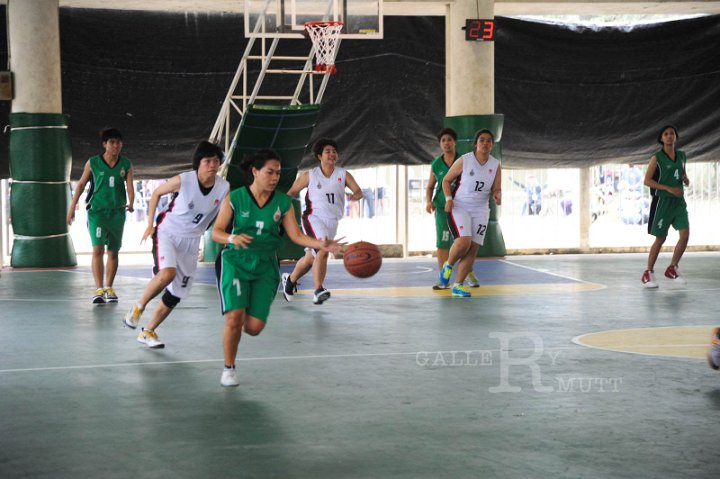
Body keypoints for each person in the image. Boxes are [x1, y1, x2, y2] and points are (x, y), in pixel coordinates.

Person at [213, 149, 342, 387]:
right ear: (255, 171)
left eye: (278, 173)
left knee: (253, 328)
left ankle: (239, 318)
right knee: (234, 318)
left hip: (265, 265)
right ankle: (229, 368)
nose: (275, 178)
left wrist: (323, 244)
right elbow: (217, 232)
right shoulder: (236, 198)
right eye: (270, 172)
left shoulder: (283, 203)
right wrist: (232, 239)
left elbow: (296, 236)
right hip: (236, 261)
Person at [122, 141, 230, 348]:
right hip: (168, 233)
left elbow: (223, 215)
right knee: (167, 274)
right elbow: (156, 194)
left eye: (216, 161)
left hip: (192, 241)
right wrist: (149, 224)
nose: (212, 165)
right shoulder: (184, 180)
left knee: (176, 294)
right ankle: (137, 308)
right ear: (198, 163)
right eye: (208, 161)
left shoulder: (224, 187)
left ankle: (148, 331)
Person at [281, 138, 362, 304]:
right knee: (323, 249)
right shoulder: (310, 175)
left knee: (311, 258)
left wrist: (355, 196)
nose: (332, 154)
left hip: (333, 222)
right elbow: (291, 192)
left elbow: (359, 191)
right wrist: (281, 211)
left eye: (334, 151)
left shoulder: (343, 174)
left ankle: (290, 280)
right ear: (319, 156)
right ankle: (318, 290)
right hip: (313, 218)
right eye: (328, 151)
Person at [67, 127, 134, 304]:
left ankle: (109, 288)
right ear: (105, 144)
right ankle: (98, 289)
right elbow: (80, 186)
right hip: (97, 212)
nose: (116, 146)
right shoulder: (93, 163)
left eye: (118, 142)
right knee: (98, 249)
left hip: (117, 212)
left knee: (113, 251)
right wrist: (71, 208)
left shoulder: (126, 163)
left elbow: (130, 186)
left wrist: (132, 202)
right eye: (112, 142)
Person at [437, 129, 502, 297]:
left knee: (473, 249)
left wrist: (497, 196)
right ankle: (448, 266)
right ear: (476, 143)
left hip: (481, 209)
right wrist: (449, 198)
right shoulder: (465, 160)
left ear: (492, 145)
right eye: (482, 140)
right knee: (464, 242)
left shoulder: (495, 165)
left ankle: (458, 285)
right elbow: (446, 180)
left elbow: (496, 188)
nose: (485, 143)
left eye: (489, 140)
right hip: (460, 206)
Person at [425, 128, 480, 290]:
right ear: (440, 144)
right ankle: (445, 278)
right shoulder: (436, 164)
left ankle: (467, 272)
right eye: (443, 140)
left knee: (464, 243)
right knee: (442, 243)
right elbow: (429, 187)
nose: (446, 143)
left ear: (455, 142)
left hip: (463, 207)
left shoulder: (465, 161)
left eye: (449, 139)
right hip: (444, 208)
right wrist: (429, 201)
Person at [641, 125, 690, 288]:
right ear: (661, 138)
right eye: (666, 134)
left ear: (676, 137)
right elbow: (647, 181)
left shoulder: (682, 156)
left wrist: (685, 179)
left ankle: (672, 268)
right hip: (662, 202)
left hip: (678, 202)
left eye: (672, 134)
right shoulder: (657, 158)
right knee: (660, 238)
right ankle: (648, 273)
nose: (669, 136)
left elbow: (681, 172)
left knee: (685, 234)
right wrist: (668, 188)